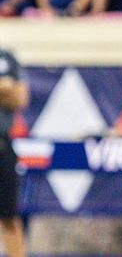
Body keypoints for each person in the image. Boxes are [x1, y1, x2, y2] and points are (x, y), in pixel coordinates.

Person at [0, 46, 27, 257]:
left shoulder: (6, 57)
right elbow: (10, 91)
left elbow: (20, 98)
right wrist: (3, 88)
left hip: (2, 145)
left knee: (9, 216)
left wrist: (10, 91)